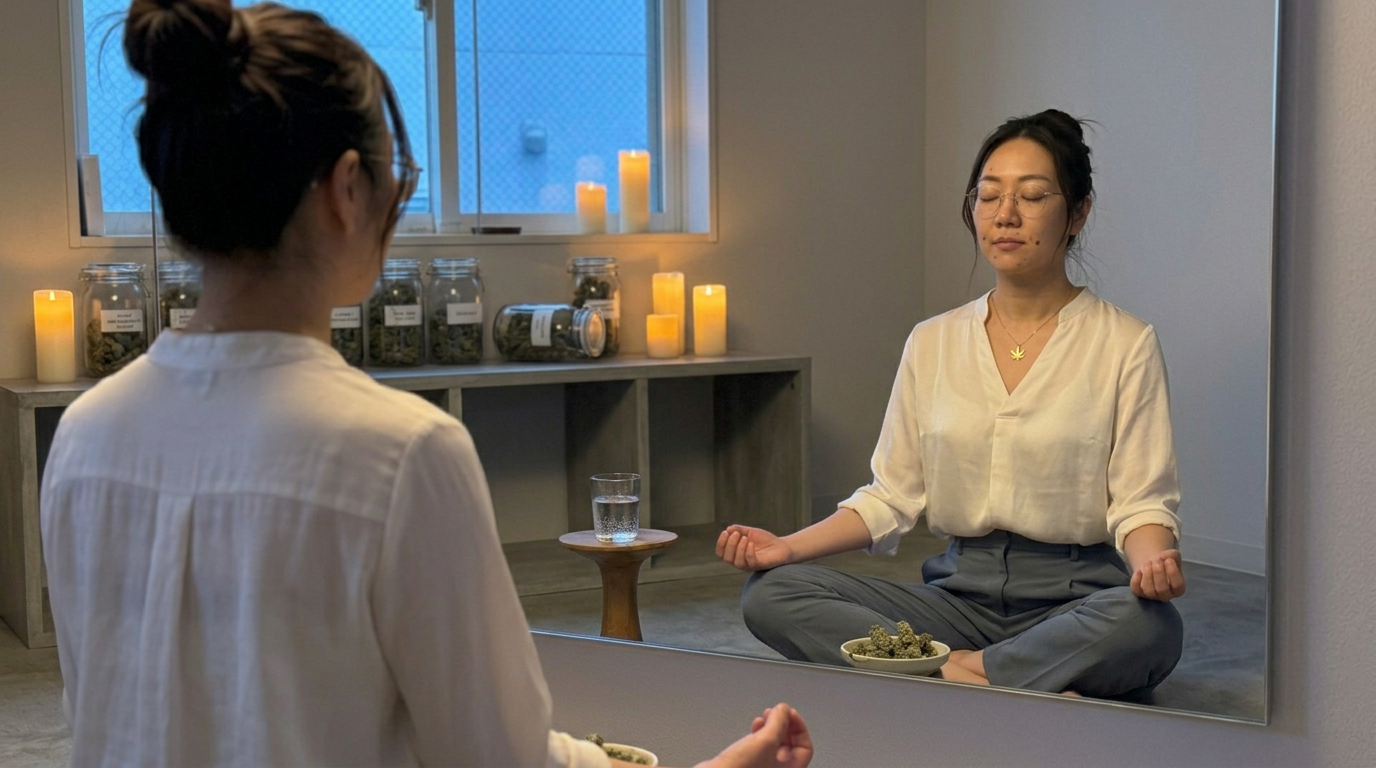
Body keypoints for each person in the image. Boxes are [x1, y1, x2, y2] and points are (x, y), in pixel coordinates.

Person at [40, 2, 813, 766]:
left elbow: (115, 715)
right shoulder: (400, 452)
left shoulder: (87, 430)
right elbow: (497, 757)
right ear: (346, 189)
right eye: (398, 177)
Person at [717, 109, 1185, 699]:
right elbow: (890, 495)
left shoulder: (1125, 343)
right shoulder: (932, 341)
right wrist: (784, 547)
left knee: (1149, 627)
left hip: (1078, 601)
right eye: (988, 196)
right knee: (771, 593)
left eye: (1033, 195)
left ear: (1079, 212)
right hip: (954, 601)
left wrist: (1152, 565)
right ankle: (1003, 675)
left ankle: (948, 674)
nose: (1005, 215)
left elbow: (1142, 503)